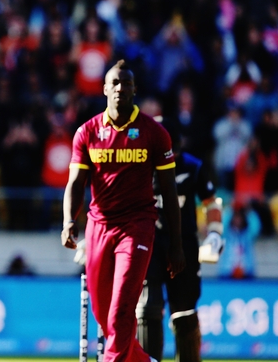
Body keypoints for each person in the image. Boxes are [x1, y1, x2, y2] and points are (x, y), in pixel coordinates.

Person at [61, 59, 186, 362]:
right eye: (114, 83)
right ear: (104, 89)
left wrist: (176, 245)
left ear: (135, 89)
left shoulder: (154, 133)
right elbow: (75, 183)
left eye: (126, 83)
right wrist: (68, 220)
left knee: (120, 313)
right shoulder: (86, 133)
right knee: (106, 319)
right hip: (99, 226)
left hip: (137, 226)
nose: (120, 88)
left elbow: (169, 192)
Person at [136, 117, 225, 362]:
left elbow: (211, 202)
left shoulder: (192, 166)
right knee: (147, 308)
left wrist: (215, 232)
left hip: (184, 245)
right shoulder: (139, 165)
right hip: (150, 244)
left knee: (184, 312)